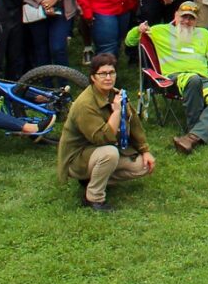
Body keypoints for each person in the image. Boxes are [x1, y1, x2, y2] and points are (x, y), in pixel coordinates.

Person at [126, 2, 208, 154]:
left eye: (191, 18)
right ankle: (196, 129)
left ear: (196, 20)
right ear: (176, 15)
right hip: (175, 79)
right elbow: (129, 41)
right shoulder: (159, 31)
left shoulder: (204, 34)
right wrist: (137, 30)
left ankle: (192, 137)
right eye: (184, 17)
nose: (187, 21)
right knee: (193, 79)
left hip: (203, 79)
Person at [58, 52, 154, 211]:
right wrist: (116, 112)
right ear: (93, 77)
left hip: (98, 151)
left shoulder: (116, 94)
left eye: (112, 73)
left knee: (143, 166)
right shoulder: (85, 104)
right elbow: (103, 139)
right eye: (102, 74)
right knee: (110, 153)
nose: (108, 77)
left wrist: (145, 151)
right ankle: (93, 198)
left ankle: (94, 178)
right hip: (77, 157)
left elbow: (134, 123)